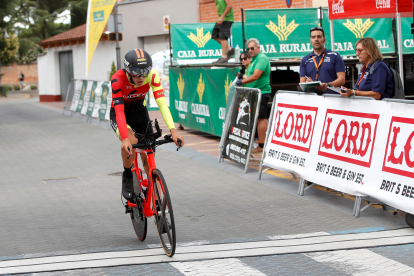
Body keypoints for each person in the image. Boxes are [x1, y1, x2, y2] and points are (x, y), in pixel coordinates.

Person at [110, 49, 185, 201]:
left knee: (148, 157)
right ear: (128, 70)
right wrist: (124, 139)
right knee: (131, 142)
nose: (142, 76)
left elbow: (162, 104)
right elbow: (119, 112)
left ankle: (158, 207)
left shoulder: (152, 76)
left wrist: (174, 131)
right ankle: (127, 175)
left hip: (140, 114)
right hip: (121, 114)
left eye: (145, 71)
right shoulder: (117, 79)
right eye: (136, 71)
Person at [235, 38, 271, 154]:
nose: (250, 50)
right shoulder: (254, 60)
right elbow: (249, 76)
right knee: (257, 118)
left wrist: (241, 82)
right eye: (248, 48)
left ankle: (262, 145)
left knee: (261, 118)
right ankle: (260, 143)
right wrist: (242, 77)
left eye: (252, 48)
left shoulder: (261, 58)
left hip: (262, 92)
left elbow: (256, 76)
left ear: (258, 48)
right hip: (254, 93)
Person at [299, 26, 345, 94]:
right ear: (310, 41)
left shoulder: (335, 56)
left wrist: (328, 85)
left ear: (324, 40)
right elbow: (301, 84)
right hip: (313, 99)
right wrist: (306, 83)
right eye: (313, 37)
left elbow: (342, 80)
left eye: (319, 36)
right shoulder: (305, 60)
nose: (316, 39)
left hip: (332, 98)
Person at [212, 0, 234, 64]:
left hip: (227, 18)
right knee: (215, 35)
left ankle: (224, 57)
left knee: (222, 37)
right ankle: (230, 49)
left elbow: (230, 6)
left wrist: (222, 17)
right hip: (220, 18)